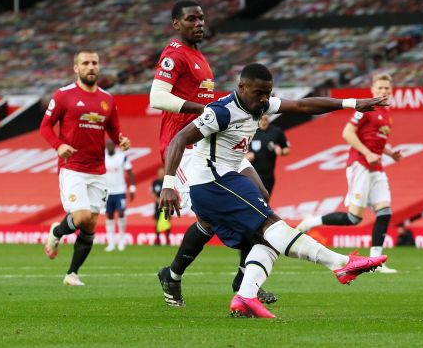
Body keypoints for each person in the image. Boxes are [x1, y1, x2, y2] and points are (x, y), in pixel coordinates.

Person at [159, 63, 389, 318]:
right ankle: (341, 264)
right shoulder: (221, 112)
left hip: (229, 174)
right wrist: (168, 184)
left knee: (267, 238)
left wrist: (351, 103)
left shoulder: (261, 104)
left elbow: (303, 106)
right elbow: (179, 139)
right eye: (258, 93)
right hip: (211, 182)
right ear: (242, 88)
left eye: (268, 93)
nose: (264, 99)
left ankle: (245, 296)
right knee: (272, 225)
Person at [148, 0, 276, 305]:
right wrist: (203, 108)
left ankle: (238, 277)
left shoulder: (198, 56)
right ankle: (176, 274)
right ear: (176, 24)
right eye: (191, 19)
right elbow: (157, 97)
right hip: (185, 148)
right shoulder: (174, 54)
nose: (199, 23)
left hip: (216, 143)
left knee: (260, 196)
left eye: (202, 18)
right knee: (213, 216)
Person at [40, 49, 131, 286]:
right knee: (79, 217)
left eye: (94, 63)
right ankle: (56, 233)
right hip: (73, 168)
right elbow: (45, 126)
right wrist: (59, 146)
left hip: (97, 170)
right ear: (76, 68)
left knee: (90, 224)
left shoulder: (107, 99)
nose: (91, 67)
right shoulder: (63, 95)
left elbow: (113, 129)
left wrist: (120, 138)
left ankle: (72, 274)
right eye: (86, 63)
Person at [297, 73, 401, 273]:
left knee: (385, 211)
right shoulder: (366, 109)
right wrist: (368, 153)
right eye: (379, 88)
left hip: (376, 166)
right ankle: (312, 221)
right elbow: (347, 133)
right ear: (372, 90)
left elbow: (376, 139)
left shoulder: (387, 113)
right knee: (354, 218)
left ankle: (376, 261)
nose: (383, 92)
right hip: (360, 165)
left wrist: (390, 153)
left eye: (386, 88)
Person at [245, 114, 290, 194]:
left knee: (265, 200)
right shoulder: (251, 132)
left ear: (268, 118)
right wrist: (246, 157)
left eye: (265, 119)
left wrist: (281, 151)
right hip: (252, 174)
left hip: (268, 175)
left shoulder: (276, 131)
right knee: (254, 199)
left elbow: (286, 149)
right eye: (261, 119)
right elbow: (240, 150)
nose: (263, 121)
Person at [104, 139, 135, 252]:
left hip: (120, 190)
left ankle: (121, 240)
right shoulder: (103, 157)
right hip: (107, 191)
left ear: (114, 145)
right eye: (107, 145)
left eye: (111, 145)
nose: (109, 147)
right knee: (109, 215)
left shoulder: (121, 157)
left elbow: (130, 172)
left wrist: (132, 187)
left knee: (121, 213)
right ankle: (111, 242)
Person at [152, 167, 171, 244]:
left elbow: (170, 193)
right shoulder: (155, 182)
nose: (161, 174)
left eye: (162, 172)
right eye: (160, 172)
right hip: (158, 205)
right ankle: (157, 239)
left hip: (166, 205)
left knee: (167, 221)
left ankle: (167, 239)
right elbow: (153, 193)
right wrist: (158, 201)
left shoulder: (167, 182)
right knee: (157, 221)